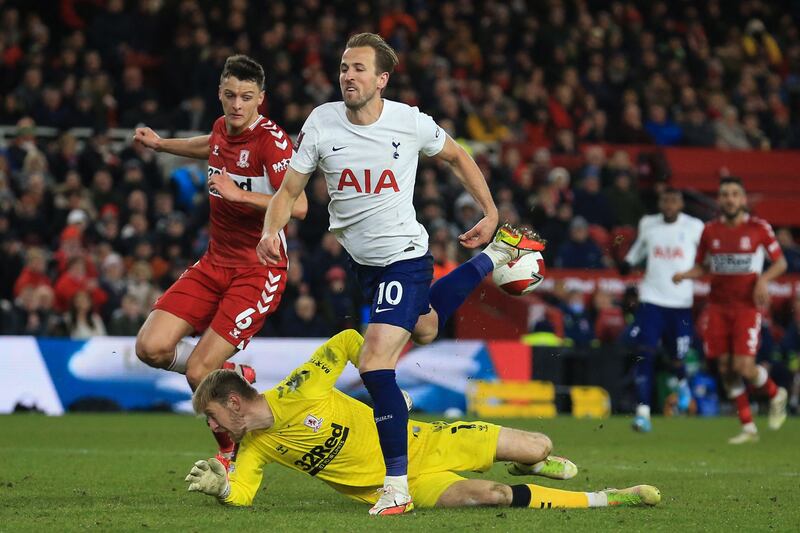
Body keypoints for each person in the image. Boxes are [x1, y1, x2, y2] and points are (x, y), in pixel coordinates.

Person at [257, 33, 543, 515]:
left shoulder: (409, 122)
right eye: (344, 67)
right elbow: (288, 191)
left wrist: (490, 210)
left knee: (374, 364)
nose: (348, 75)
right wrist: (271, 231)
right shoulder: (322, 121)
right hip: (362, 263)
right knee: (427, 327)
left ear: (382, 79)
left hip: (404, 257)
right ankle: (496, 257)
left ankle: (396, 488)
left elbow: (456, 156)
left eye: (359, 68)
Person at [185, 330, 662, 511]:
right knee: (490, 496)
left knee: (538, 445)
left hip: (427, 441)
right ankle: (610, 500)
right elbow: (244, 493)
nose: (217, 429)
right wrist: (223, 488)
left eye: (213, 417)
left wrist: (383, 389)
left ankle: (530, 464)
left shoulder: (301, 387)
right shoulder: (258, 445)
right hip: (402, 488)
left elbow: (351, 340)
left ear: (232, 402)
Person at [132, 55, 308, 464]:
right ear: (220, 94)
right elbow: (208, 145)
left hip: (257, 270)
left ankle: (229, 456)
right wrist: (161, 145)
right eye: (230, 95)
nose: (236, 104)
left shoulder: (272, 142)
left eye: (246, 97)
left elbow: (299, 208)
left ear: (260, 99)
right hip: (214, 262)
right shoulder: (219, 128)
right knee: (150, 347)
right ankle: (234, 377)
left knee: (199, 372)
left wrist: (238, 194)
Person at [673, 177, 788, 444]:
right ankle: (748, 427)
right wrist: (685, 274)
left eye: (735, 194)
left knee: (743, 366)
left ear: (743, 199)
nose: (730, 199)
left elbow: (780, 262)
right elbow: (703, 266)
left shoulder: (759, 228)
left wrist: (762, 280)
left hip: (747, 307)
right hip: (718, 307)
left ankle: (775, 393)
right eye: (725, 194)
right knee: (725, 368)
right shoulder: (710, 231)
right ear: (720, 199)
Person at [621, 188, 704, 432]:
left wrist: (692, 273)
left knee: (677, 358)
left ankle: (683, 386)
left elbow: (707, 255)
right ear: (660, 202)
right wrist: (627, 262)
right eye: (665, 200)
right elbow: (639, 248)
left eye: (674, 200)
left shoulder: (695, 226)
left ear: (680, 204)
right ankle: (643, 413)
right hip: (651, 300)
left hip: (680, 304)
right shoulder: (648, 223)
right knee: (645, 353)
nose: (669, 204)